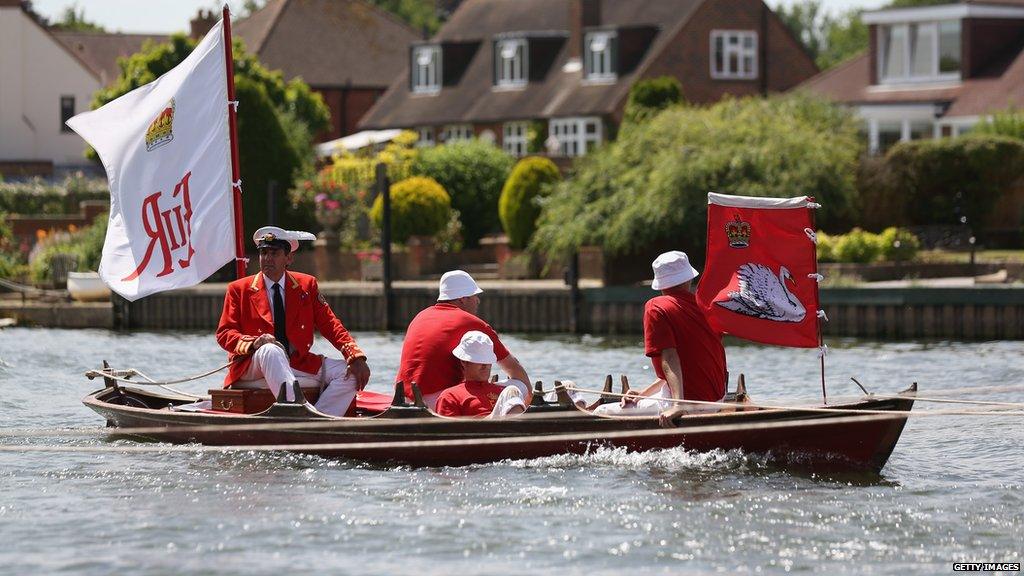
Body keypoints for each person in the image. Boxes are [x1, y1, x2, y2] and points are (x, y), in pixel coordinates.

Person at [215, 226, 371, 416]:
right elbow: (224, 335)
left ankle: (318, 420)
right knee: (271, 350)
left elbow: (330, 324)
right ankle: (296, 410)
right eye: (264, 253)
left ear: (289, 258)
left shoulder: (306, 285)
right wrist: (254, 342)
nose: (267, 258)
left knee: (354, 374)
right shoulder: (239, 289)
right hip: (251, 364)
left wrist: (355, 356)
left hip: (297, 362)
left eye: (274, 253)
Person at [594, 251, 726, 423]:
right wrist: (643, 394)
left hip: (688, 403)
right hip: (716, 401)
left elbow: (670, 358)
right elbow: (687, 365)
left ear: (660, 283)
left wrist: (678, 405)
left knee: (601, 411)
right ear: (689, 279)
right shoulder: (706, 308)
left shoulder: (656, 307)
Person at [395, 270, 530, 410]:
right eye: (474, 296)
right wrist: (526, 402)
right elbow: (515, 370)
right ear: (462, 299)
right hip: (443, 402)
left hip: (403, 400)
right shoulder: (473, 323)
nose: (478, 300)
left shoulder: (420, 316)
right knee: (519, 385)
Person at [434, 331, 531, 418]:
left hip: (507, 430)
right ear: (464, 361)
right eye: (479, 361)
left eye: (488, 361)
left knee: (516, 390)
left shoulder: (500, 390)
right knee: (511, 390)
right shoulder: (450, 396)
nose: (485, 366)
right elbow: (449, 432)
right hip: (481, 434)